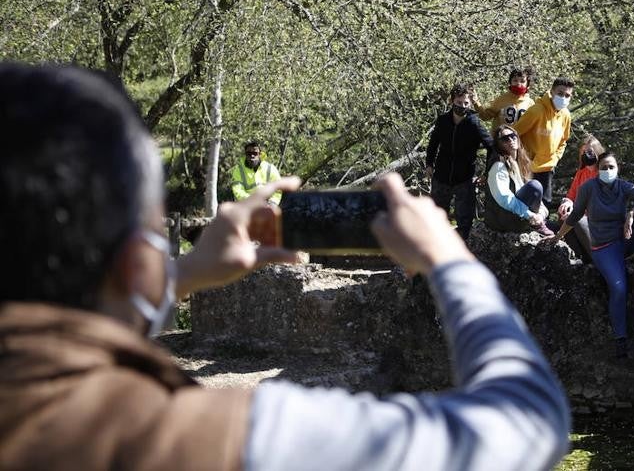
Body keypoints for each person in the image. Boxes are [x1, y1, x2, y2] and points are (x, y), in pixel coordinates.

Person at [0, 63, 569, 471]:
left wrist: (183, 273)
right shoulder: (196, 440)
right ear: (131, 264)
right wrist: (450, 260)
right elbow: (527, 422)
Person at [554, 151, 634, 359]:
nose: (608, 171)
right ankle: (620, 338)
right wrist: (557, 237)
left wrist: (631, 213)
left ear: (617, 169)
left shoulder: (621, 185)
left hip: (625, 240)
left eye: (611, 167)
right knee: (619, 287)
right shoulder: (588, 188)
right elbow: (574, 217)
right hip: (604, 246)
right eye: (604, 167)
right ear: (597, 170)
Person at [425, 83, 493, 240]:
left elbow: (492, 146)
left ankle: (461, 254)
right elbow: (433, 144)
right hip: (441, 176)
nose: (462, 106)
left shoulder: (474, 123)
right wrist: (429, 164)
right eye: (459, 102)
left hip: (465, 179)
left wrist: (487, 173)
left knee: (464, 220)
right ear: (451, 101)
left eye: (466, 103)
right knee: (437, 217)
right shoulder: (443, 121)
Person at [511, 76, 575, 204]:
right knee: (524, 203)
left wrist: (555, 158)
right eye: (560, 93)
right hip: (527, 167)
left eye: (567, 95)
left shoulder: (566, 115)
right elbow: (514, 133)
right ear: (552, 92)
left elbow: (563, 141)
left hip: (547, 168)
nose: (563, 98)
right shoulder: (536, 111)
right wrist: (520, 158)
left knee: (544, 203)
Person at [484, 124, 554, 236]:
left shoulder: (521, 163)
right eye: (505, 139)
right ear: (498, 144)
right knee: (534, 186)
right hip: (501, 221)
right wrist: (529, 215)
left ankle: (537, 224)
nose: (511, 139)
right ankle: (535, 225)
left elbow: (537, 201)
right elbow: (504, 198)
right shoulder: (498, 165)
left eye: (513, 136)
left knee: (559, 226)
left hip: (518, 216)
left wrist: (540, 214)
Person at [555, 134, 607, 261]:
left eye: (589, 151)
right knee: (564, 216)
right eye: (583, 152)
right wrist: (567, 203)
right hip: (581, 222)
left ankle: (599, 258)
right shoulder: (581, 173)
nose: (586, 155)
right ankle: (582, 257)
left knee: (574, 218)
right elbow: (571, 195)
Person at [229, 140, 282, 205]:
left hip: (268, 207)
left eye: (255, 153)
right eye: (249, 153)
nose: (252, 156)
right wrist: (253, 201)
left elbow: (278, 189)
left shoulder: (270, 168)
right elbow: (238, 191)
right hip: (246, 206)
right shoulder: (238, 170)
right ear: (245, 154)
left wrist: (272, 203)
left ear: (260, 154)